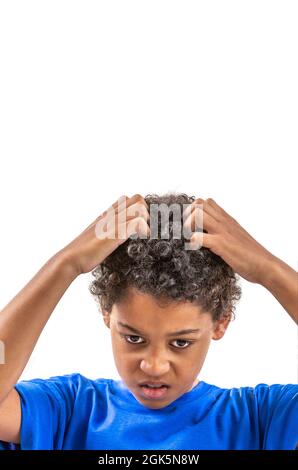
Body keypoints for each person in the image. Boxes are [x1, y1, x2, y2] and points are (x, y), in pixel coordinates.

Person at [0, 193, 297, 450]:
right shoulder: (69, 411)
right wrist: (65, 264)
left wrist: (269, 270)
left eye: (180, 343)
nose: (153, 366)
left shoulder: (261, 421)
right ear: (107, 312)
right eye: (134, 338)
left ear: (221, 323)